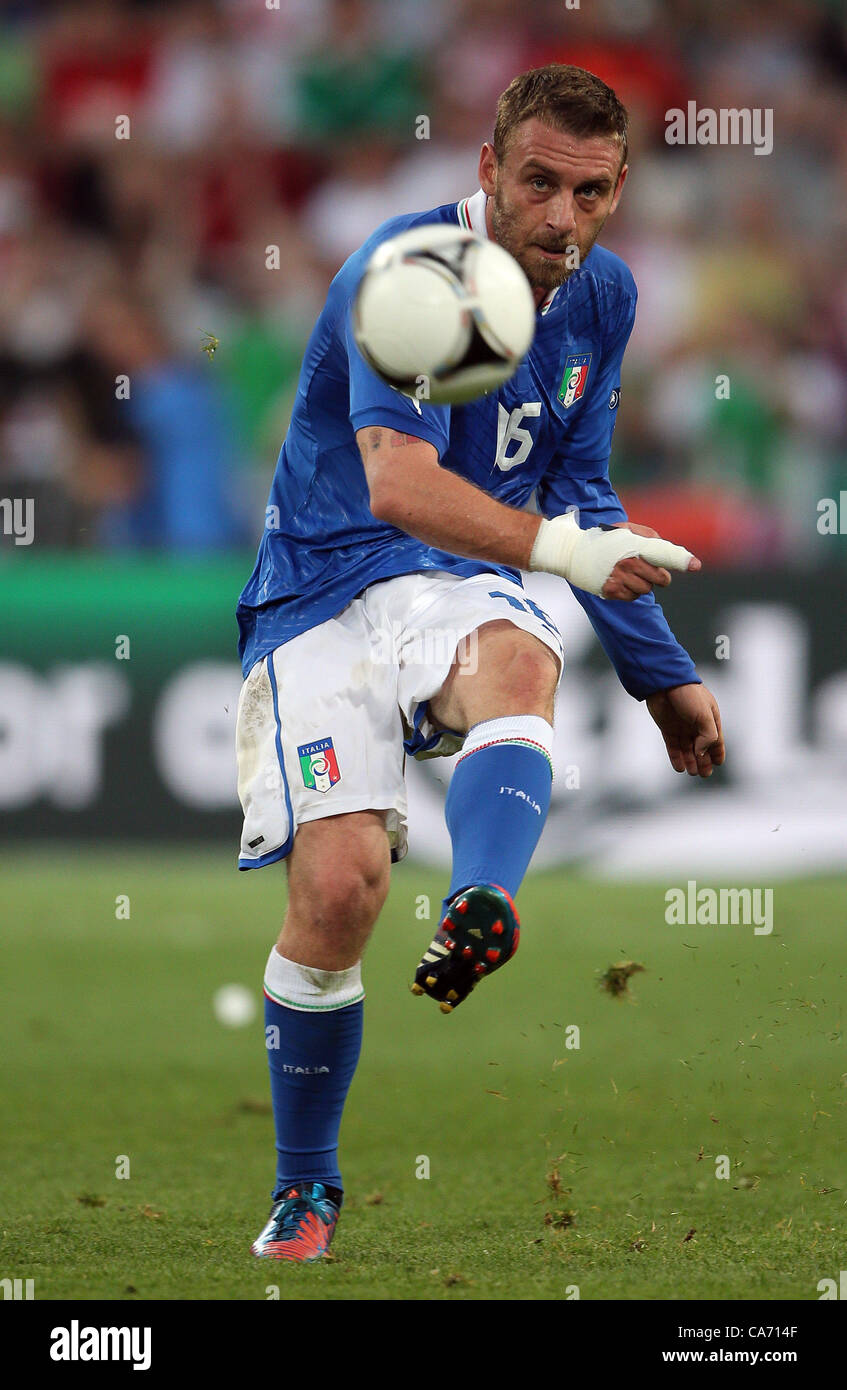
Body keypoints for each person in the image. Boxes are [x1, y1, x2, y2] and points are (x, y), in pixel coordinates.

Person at [235, 63, 725, 1263]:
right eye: (539, 184)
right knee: (341, 888)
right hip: (323, 583)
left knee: (519, 652)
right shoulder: (404, 275)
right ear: (487, 172)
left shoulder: (603, 297)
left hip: (462, 582)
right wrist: (562, 548)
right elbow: (400, 485)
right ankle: (307, 1187)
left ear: (618, 192)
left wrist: (659, 672)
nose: (562, 218)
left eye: (592, 192)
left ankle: (482, 897)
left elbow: (578, 483)